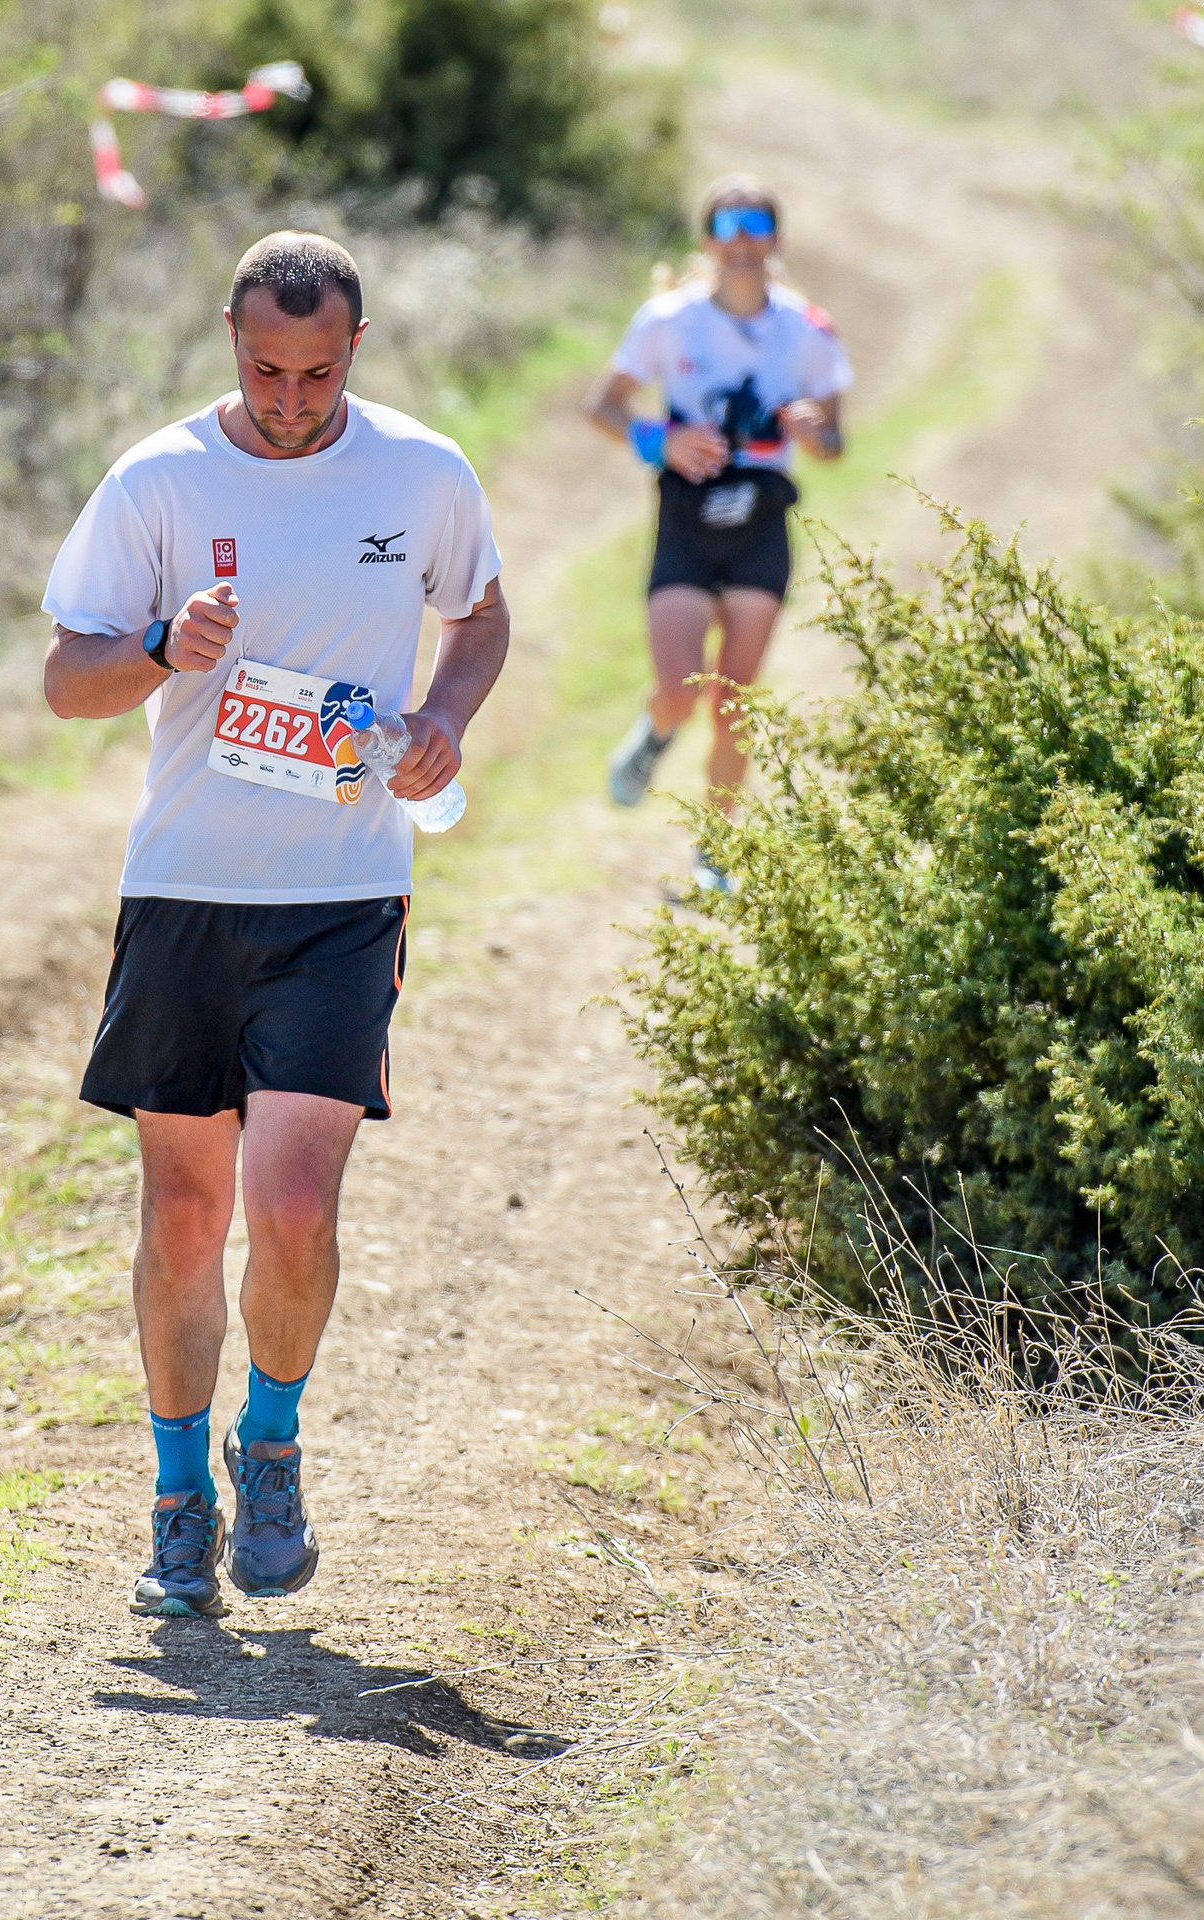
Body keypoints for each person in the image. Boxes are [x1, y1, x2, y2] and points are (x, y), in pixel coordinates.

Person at [42, 232, 510, 1617]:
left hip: (341, 898)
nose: (292, 399)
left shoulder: (422, 472)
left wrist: (443, 719)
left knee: (293, 1209)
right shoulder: (159, 479)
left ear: (355, 347)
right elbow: (66, 679)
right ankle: (176, 1499)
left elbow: (480, 618)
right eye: (266, 371)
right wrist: (158, 651)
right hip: (186, 891)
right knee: (187, 1217)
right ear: (230, 341)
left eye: (317, 372)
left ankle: (274, 1445)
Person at [586, 175, 851, 892]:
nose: (742, 242)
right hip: (687, 517)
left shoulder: (808, 329)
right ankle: (655, 731)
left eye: (756, 226)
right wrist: (662, 442)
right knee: (680, 690)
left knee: (734, 701)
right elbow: (603, 406)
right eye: (728, 228)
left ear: (775, 238)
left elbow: (835, 443)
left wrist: (815, 432)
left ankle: (715, 849)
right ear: (707, 240)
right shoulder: (668, 319)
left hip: (761, 522)